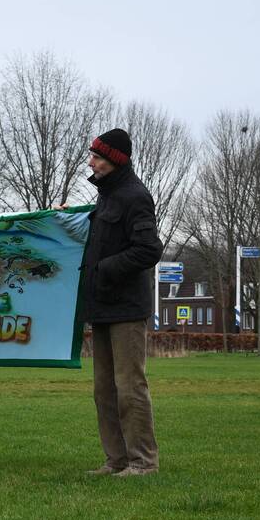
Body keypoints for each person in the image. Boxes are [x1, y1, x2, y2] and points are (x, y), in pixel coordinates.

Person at [81, 128, 163, 477]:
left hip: (127, 310)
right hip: (102, 307)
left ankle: (143, 462)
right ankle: (116, 460)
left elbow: (148, 249)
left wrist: (105, 270)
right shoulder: (106, 197)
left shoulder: (135, 197)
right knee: (104, 391)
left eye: (97, 157)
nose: (91, 162)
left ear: (116, 160)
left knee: (129, 388)